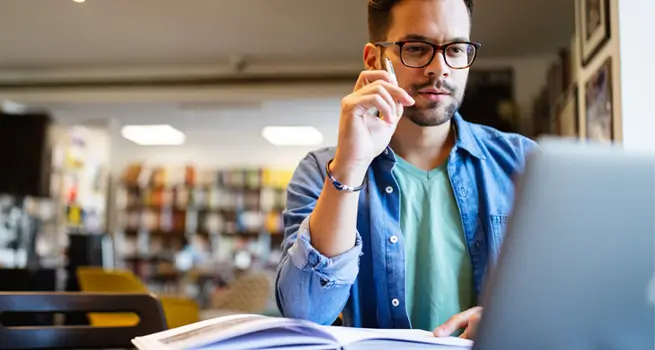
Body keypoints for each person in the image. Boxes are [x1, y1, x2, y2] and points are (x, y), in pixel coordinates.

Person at [275, 0, 537, 340]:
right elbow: (305, 313)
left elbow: (569, 294)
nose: (439, 68)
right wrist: (351, 166)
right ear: (374, 59)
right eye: (416, 48)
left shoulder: (523, 164)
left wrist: (512, 319)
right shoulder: (321, 171)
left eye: (455, 49)